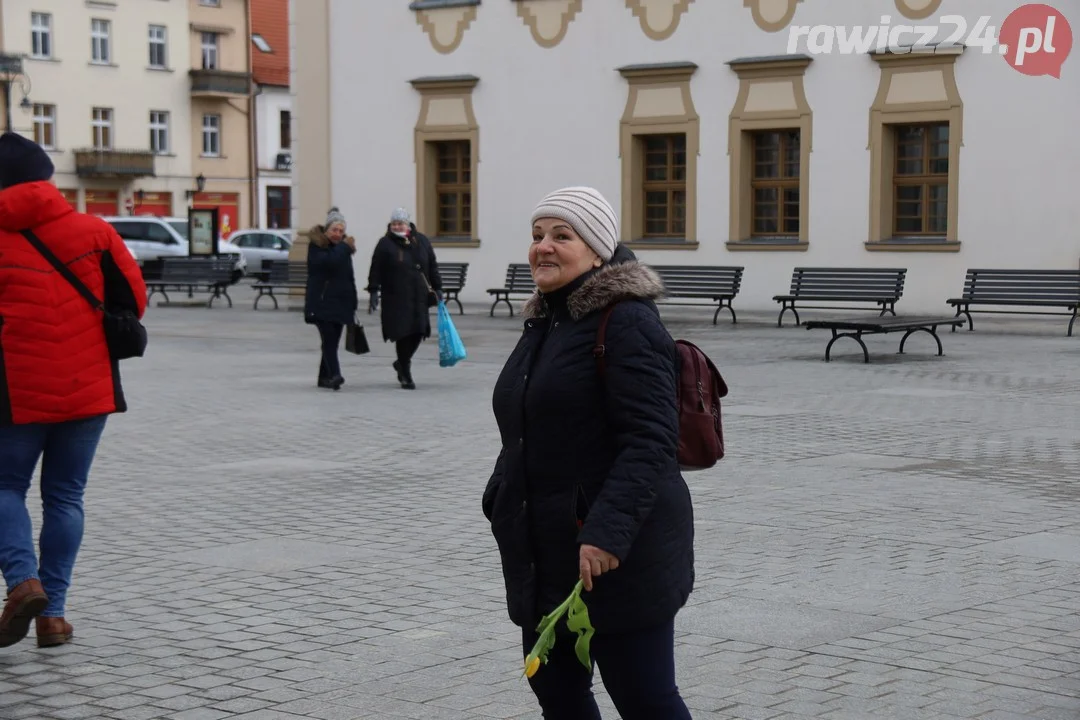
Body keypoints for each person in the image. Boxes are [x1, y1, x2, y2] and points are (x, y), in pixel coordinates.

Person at [482, 187, 695, 719]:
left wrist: (606, 533)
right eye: (537, 236)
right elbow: (524, 424)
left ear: (598, 250)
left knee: (644, 698)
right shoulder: (547, 320)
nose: (543, 248)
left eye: (562, 235)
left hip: (614, 555)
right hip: (544, 547)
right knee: (557, 692)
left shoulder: (626, 322)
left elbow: (651, 441)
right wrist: (500, 493)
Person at [0, 132, 147, 649]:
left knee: (4, 487)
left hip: (14, 391)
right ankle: (53, 616)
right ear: (46, 177)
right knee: (65, 496)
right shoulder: (95, 230)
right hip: (89, 388)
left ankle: (22, 583)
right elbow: (133, 301)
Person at [366, 208, 442, 390]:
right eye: (395, 223)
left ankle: (401, 362)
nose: (398, 226)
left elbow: (432, 265)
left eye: (401, 223)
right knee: (402, 333)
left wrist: (438, 287)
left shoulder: (421, 241)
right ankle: (405, 372)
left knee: (418, 332)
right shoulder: (385, 244)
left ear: (408, 224)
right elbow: (376, 268)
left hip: (419, 296)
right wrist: (374, 290)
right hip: (396, 297)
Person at [304, 207, 358, 390]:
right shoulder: (317, 246)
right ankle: (335, 374)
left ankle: (323, 377)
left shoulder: (343, 250)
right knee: (329, 339)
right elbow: (328, 263)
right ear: (327, 230)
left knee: (332, 341)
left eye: (341, 231)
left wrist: (353, 302)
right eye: (334, 230)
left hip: (341, 302)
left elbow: (349, 277)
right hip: (322, 301)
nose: (338, 234)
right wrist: (344, 247)